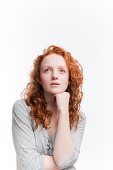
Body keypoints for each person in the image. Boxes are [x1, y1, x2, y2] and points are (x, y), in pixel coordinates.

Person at [12, 45, 86, 170]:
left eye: (61, 70)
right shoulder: (22, 108)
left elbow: (65, 161)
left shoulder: (79, 118)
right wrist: (64, 162)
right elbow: (29, 164)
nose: (55, 76)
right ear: (39, 78)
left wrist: (63, 111)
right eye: (47, 70)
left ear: (69, 79)